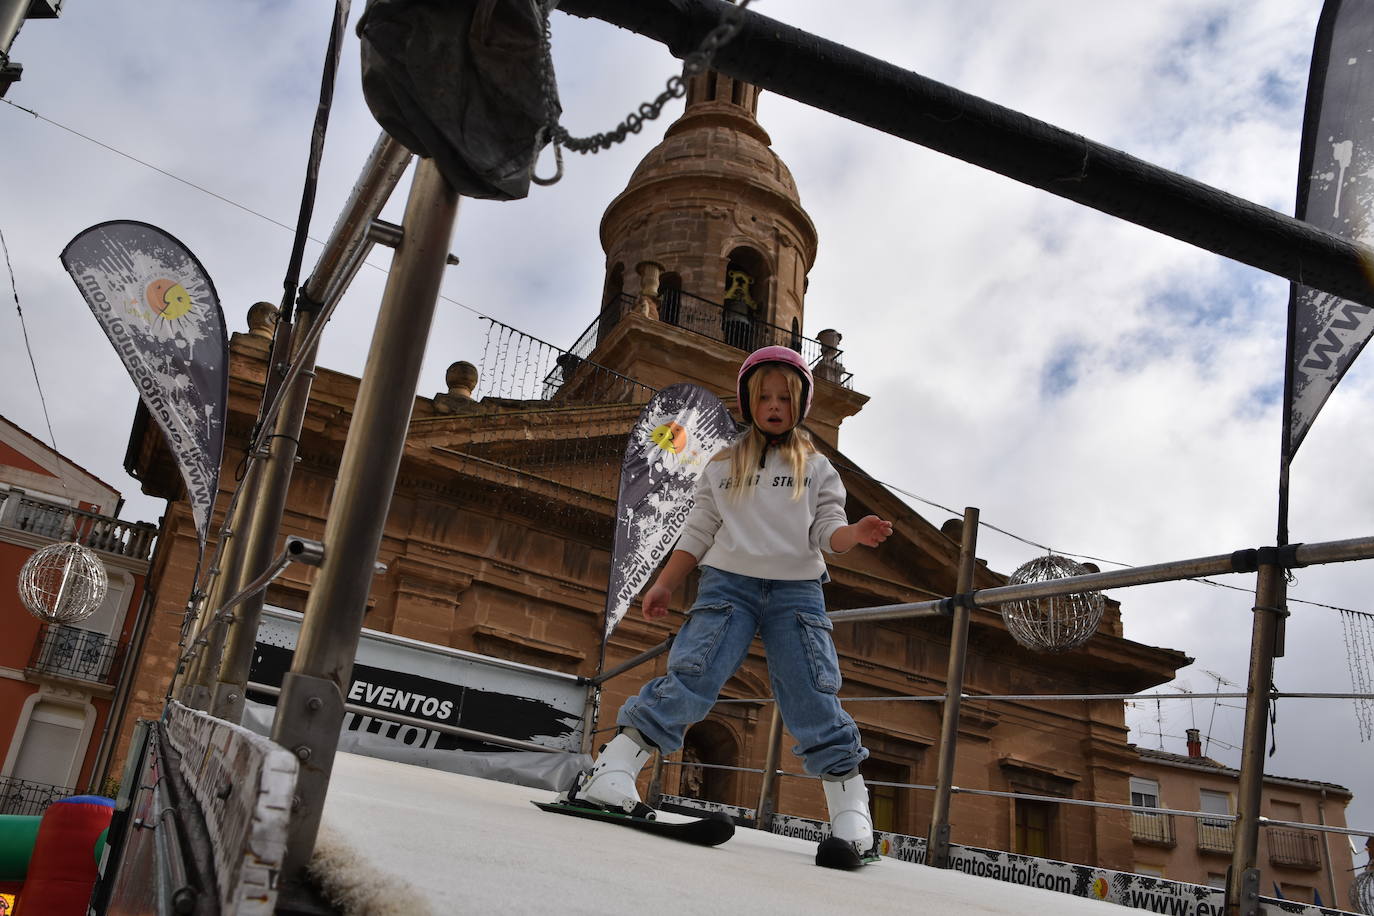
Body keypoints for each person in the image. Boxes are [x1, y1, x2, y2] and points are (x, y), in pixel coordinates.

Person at [569, 345, 893, 859]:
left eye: (783, 398)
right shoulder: (721, 465)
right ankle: (612, 771)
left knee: (812, 693)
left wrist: (856, 533)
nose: (773, 405)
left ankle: (852, 814)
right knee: (693, 675)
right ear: (747, 402)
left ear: (799, 406)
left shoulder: (818, 470)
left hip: (797, 593)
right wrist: (665, 583)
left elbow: (828, 532)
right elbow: (698, 529)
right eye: (763, 396)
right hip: (727, 586)